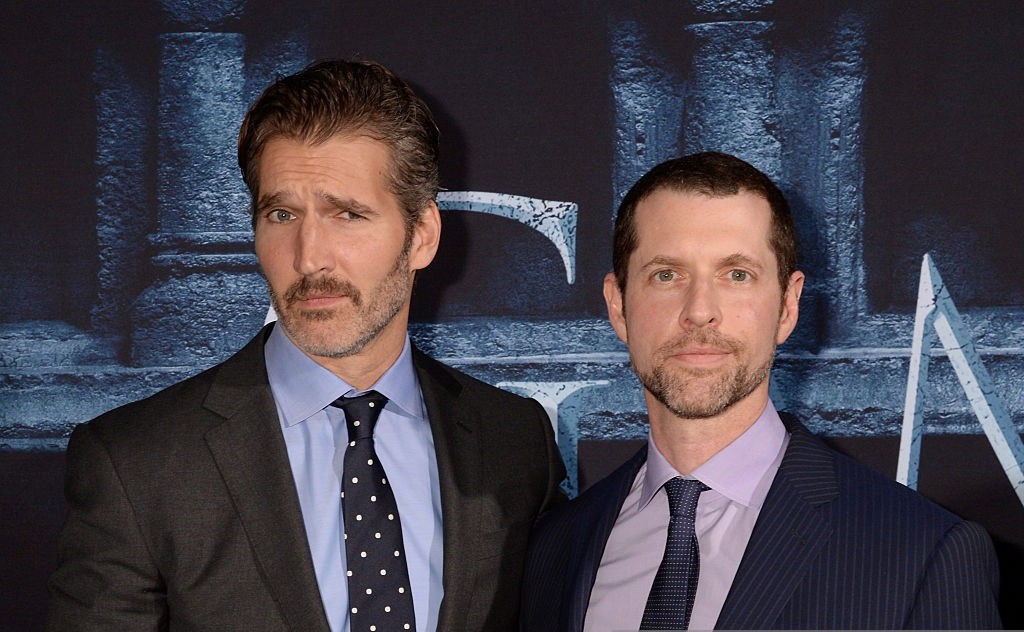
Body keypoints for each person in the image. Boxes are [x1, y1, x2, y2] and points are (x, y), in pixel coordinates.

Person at [47, 59, 565, 632]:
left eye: (348, 214)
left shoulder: (515, 442)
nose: (309, 256)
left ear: (422, 235)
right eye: (282, 214)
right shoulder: (137, 462)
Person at [520, 151, 1001, 630]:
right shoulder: (553, 550)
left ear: (788, 306)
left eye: (737, 275)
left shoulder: (921, 554)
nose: (700, 311)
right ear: (618, 305)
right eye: (667, 275)